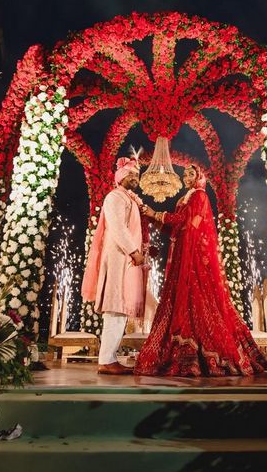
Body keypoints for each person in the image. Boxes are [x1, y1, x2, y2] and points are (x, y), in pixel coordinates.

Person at [134, 164, 267, 376]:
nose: (186, 177)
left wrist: (157, 213)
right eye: (185, 174)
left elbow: (186, 222)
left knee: (197, 299)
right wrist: (153, 217)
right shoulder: (187, 198)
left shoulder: (199, 196)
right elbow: (177, 226)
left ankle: (203, 355)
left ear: (198, 177)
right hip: (182, 253)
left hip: (194, 257)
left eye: (191, 174)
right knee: (182, 299)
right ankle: (183, 352)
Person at [81, 157, 151, 375]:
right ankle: (107, 360)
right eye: (131, 175)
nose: (135, 179)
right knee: (115, 307)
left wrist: (144, 249)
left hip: (126, 258)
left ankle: (109, 358)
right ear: (120, 177)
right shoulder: (115, 197)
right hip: (119, 257)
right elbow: (118, 228)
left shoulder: (129, 199)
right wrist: (134, 251)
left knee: (120, 308)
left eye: (137, 176)